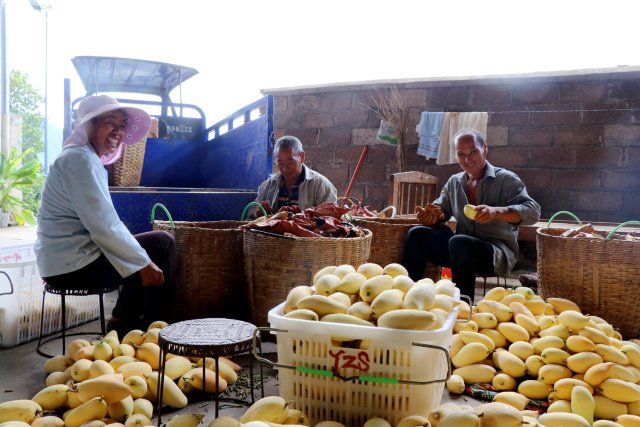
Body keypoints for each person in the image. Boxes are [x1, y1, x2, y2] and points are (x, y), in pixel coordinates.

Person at [35, 95, 177, 335]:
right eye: (110, 122)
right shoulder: (80, 159)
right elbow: (103, 225)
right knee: (161, 244)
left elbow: (104, 226)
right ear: (88, 125)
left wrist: (139, 258)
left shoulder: (82, 158)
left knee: (138, 250)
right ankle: (157, 333)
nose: (118, 131)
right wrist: (144, 263)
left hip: (66, 262)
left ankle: (123, 324)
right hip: (71, 267)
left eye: (122, 126)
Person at [401, 128, 540, 302]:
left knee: (459, 242)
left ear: (485, 149)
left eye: (473, 151)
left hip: (494, 255)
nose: (467, 159)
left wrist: (497, 212)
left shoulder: (506, 179)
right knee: (417, 234)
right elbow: (441, 208)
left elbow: (533, 211)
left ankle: (463, 308)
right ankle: (407, 296)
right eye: (461, 154)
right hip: (459, 251)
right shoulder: (455, 182)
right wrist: (433, 215)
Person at [254, 135, 337, 214]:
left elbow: (331, 221)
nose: (285, 168)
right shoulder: (266, 187)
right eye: (280, 162)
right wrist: (260, 215)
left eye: (290, 162)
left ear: (302, 156)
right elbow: (251, 217)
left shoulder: (322, 186)